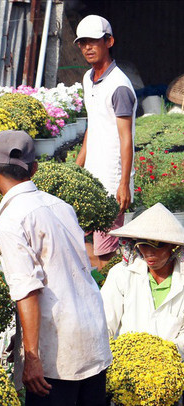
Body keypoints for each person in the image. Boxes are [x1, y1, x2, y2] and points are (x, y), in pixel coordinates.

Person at [0, 129, 112, 406]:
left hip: (57, 350)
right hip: (92, 334)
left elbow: (28, 291)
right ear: (34, 168)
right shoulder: (61, 205)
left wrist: (32, 358)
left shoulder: (11, 220)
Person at [74, 15, 137, 270]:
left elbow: (126, 138)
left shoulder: (119, 86)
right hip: (92, 173)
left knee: (106, 251)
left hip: (111, 179)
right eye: (83, 43)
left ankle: (108, 300)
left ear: (109, 42)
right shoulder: (88, 78)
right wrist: (79, 162)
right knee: (85, 241)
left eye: (94, 42)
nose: (88, 48)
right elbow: (94, 122)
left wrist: (123, 183)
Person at [101, 202, 184, 358]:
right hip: (126, 364)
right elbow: (103, 323)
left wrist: (164, 355)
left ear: (172, 246)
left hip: (174, 367)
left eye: (157, 245)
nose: (149, 253)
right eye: (143, 245)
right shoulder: (121, 274)